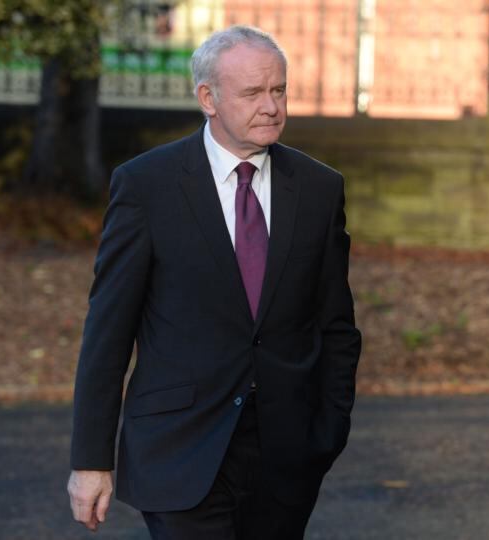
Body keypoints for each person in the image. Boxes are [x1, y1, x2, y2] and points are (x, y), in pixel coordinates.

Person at [66, 25, 361, 539]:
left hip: (286, 455)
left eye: (278, 90)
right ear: (209, 98)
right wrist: (91, 460)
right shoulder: (146, 185)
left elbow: (336, 324)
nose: (271, 106)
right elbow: (108, 333)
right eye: (252, 93)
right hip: (178, 447)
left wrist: (327, 428)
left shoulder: (318, 188)